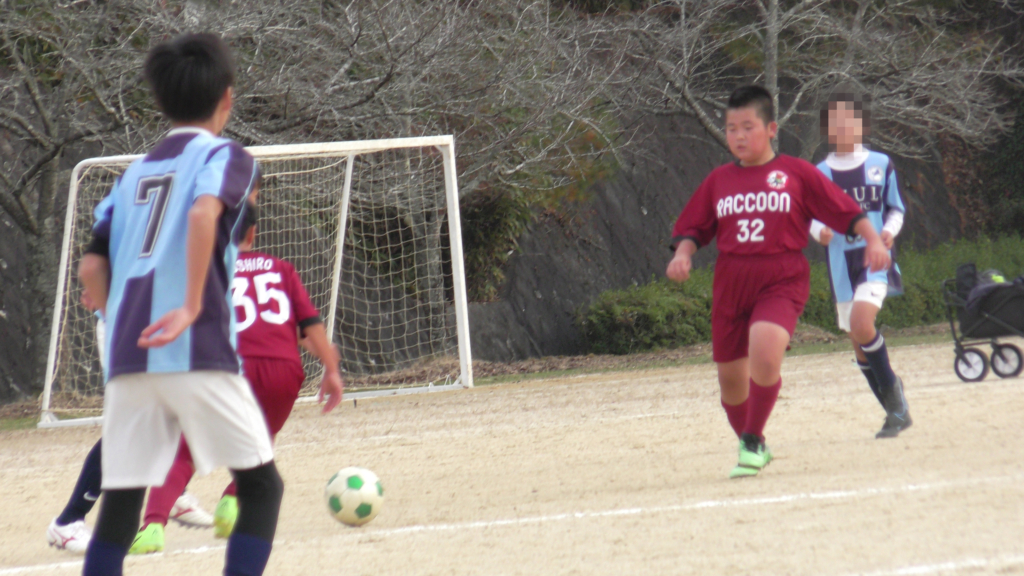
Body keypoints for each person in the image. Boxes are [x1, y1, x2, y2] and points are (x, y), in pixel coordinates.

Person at [77, 33, 340, 576]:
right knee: (261, 486)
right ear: (227, 97)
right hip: (196, 349)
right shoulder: (226, 156)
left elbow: (91, 269)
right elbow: (203, 213)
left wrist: (115, 319)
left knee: (121, 504)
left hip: (130, 356)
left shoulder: (132, 174)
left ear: (160, 101)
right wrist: (192, 305)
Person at [666, 85, 890, 479]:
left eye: (747, 127)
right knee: (731, 385)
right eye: (731, 129)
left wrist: (872, 240)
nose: (738, 136)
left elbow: (844, 210)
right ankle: (753, 440)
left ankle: (751, 441)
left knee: (766, 353)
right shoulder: (719, 180)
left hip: (781, 276)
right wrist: (683, 253)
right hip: (731, 281)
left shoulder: (796, 173)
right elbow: (694, 226)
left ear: (771, 129)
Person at [130, 191, 344, 554]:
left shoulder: (204, 273)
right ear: (253, 232)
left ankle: (152, 527)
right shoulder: (282, 269)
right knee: (259, 440)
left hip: (229, 369)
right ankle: (231, 504)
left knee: (185, 451)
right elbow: (308, 324)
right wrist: (331, 368)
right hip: (283, 370)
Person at [46, 291, 213, 554]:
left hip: (160, 322)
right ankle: (68, 521)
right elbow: (96, 270)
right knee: (134, 424)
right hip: (128, 325)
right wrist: (97, 289)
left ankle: (172, 491)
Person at [810, 92, 911, 438]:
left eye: (849, 120)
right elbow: (809, 216)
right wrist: (818, 231)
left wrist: (888, 231)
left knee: (862, 323)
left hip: (873, 258)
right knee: (858, 341)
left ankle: (896, 401)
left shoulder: (881, 164)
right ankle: (893, 411)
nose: (843, 127)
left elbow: (895, 208)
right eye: (835, 122)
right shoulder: (819, 173)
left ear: (861, 124)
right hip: (841, 263)